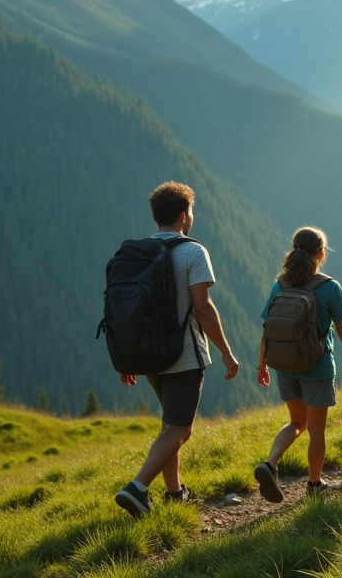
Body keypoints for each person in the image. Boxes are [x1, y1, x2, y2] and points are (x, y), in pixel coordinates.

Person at [115, 182, 241, 518]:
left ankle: (175, 493)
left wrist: (128, 356)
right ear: (184, 216)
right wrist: (227, 351)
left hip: (149, 355)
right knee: (180, 429)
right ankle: (137, 489)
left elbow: (126, 310)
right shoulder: (192, 252)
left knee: (170, 424)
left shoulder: (137, 253)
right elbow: (203, 308)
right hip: (183, 355)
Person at [253, 227, 342, 502]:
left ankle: (270, 464)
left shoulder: (280, 285)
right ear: (321, 254)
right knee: (316, 430)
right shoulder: (329, 287)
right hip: (316, 368)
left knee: (296, 422)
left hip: (285, 366)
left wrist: (262, 365)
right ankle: (314, 484)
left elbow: (268, 328)